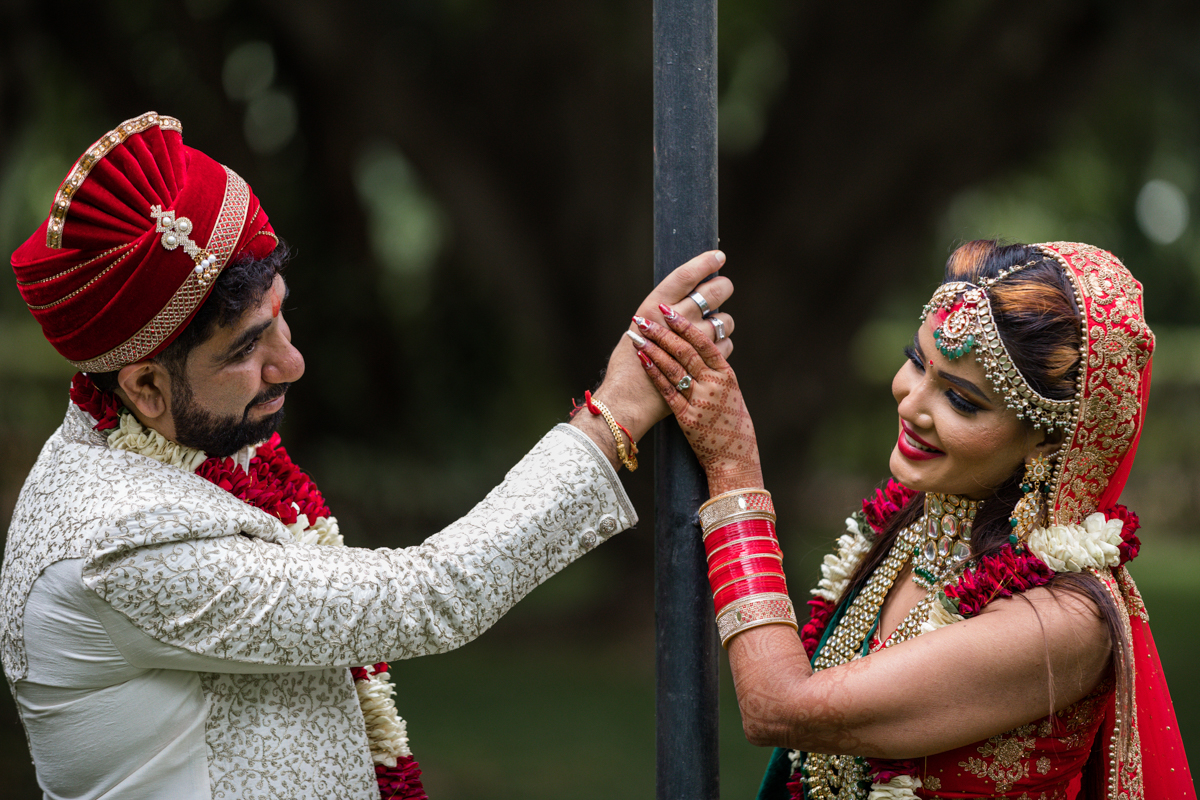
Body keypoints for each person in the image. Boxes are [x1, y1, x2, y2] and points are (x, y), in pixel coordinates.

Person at [0, 111, 733, 799]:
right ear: (146, 387)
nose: (292, 364)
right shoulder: (118, 542)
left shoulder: (162, 451)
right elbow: (427, 598)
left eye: (280, 316)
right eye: (249, 348)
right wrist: (617, 413)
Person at [633, 240, 1195, 799]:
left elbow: (775, 707)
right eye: (919, 361)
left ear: (1048, 445)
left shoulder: (1064, 620)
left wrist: (733, 470)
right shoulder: (913, 528)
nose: (910, 402)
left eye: (963, 400)